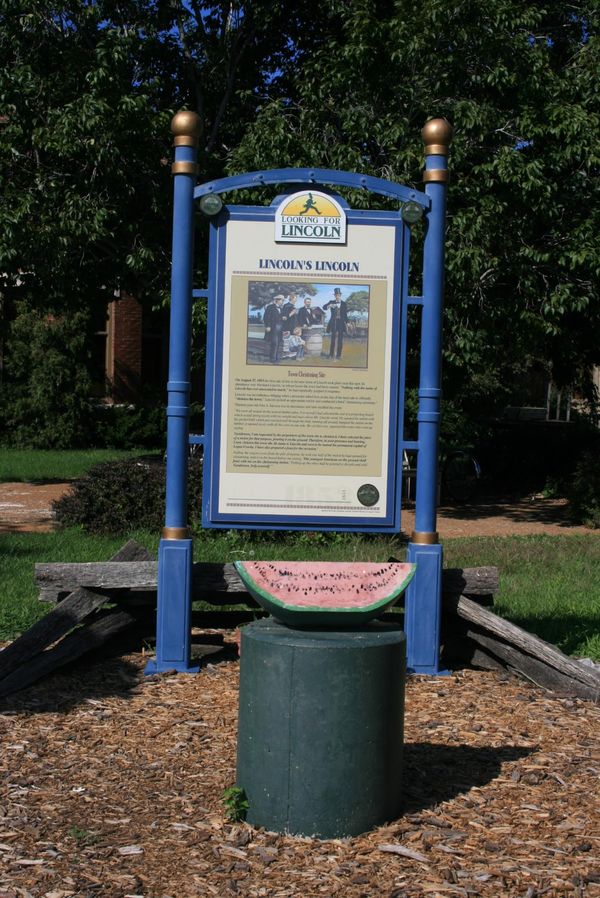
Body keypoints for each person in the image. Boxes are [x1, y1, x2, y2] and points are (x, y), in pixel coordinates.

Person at [323, 287, 348, 359]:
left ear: (340, 295)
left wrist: (347, 322)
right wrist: (329, 306)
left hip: (341, 323)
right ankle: (331, 355)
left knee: (340, 340)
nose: (337, 296)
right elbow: (324, 307)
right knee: (333, 339)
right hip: (333, 322)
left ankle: (339, 355)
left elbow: (345, 315)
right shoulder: (331, 302)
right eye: (336, 295)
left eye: (338, 295)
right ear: (334, 296)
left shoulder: (344, 304)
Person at [263, 295, 284, 363]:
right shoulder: (270, 307)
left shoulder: (281, 308)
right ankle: (272, 359)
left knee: (278, 343)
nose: (282, 302)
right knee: (274, 343)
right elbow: (266, 317)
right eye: (281, 300)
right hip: (273, 328)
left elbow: (279, 317)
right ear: (277, 300)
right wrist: (268, 326)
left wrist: (283, 318)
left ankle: (276, 357)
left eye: (283, 300)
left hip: (280, 328)